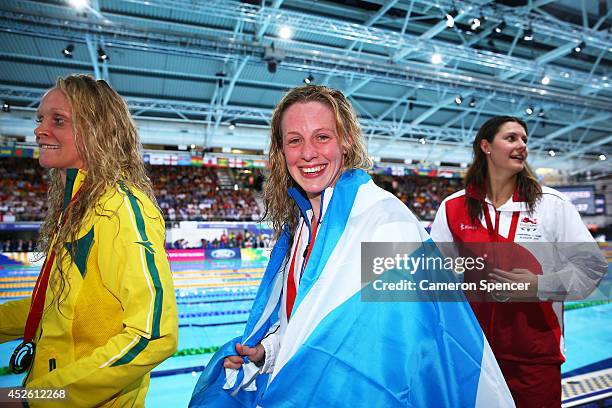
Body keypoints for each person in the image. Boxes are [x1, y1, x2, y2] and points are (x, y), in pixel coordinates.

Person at [190, 86, 513, 407]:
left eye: (322, 137)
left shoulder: (385, 223)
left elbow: (411, 351)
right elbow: (304, 327)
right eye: (294, 140)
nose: (307, 153)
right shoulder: (299, 229)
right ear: (281, 151)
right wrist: (267, 353)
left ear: (345, 141)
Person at [0, 75, 178, 407]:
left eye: (58, 120)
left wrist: (34, 398)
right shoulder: (79, 204)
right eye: (40, 119)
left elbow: (154, 336)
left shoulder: (120, 209)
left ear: (96, 130)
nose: (39, 130)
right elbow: (57, 305)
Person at [430, 116, 607, 407]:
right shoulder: (453, 207)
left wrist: (539, 285)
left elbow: (591, 268)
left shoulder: (551, 204)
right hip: (475, 352)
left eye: (524, 139)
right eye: (511, 138)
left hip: (535, 356)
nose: (522, 145)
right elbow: (436, 279)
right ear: (486, 146)